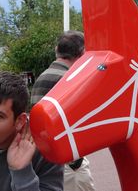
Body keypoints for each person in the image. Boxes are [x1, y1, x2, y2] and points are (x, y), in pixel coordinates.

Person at [30, 30, 96, 191]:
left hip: (43, 160)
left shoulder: (43, 77)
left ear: (56, 50)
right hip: (67, 166)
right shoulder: (69, 81)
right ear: (82, 53)